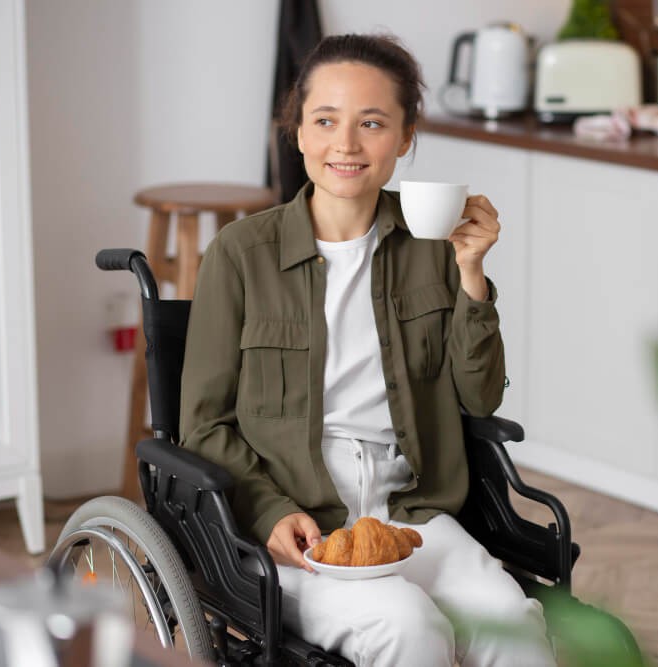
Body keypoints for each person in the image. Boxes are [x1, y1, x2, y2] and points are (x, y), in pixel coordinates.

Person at [180, 33, 556, 667]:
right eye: (325, 120)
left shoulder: (430, 244)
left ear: (405, 137)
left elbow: (479, 395)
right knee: (405, 627)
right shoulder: (241, 255)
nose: (346, 145)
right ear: (297, 131)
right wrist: (268, 510)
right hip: (301, 525)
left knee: (511, 623)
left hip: (414, 511)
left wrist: (470, 272)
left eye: (372, 123)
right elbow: (204, 423)